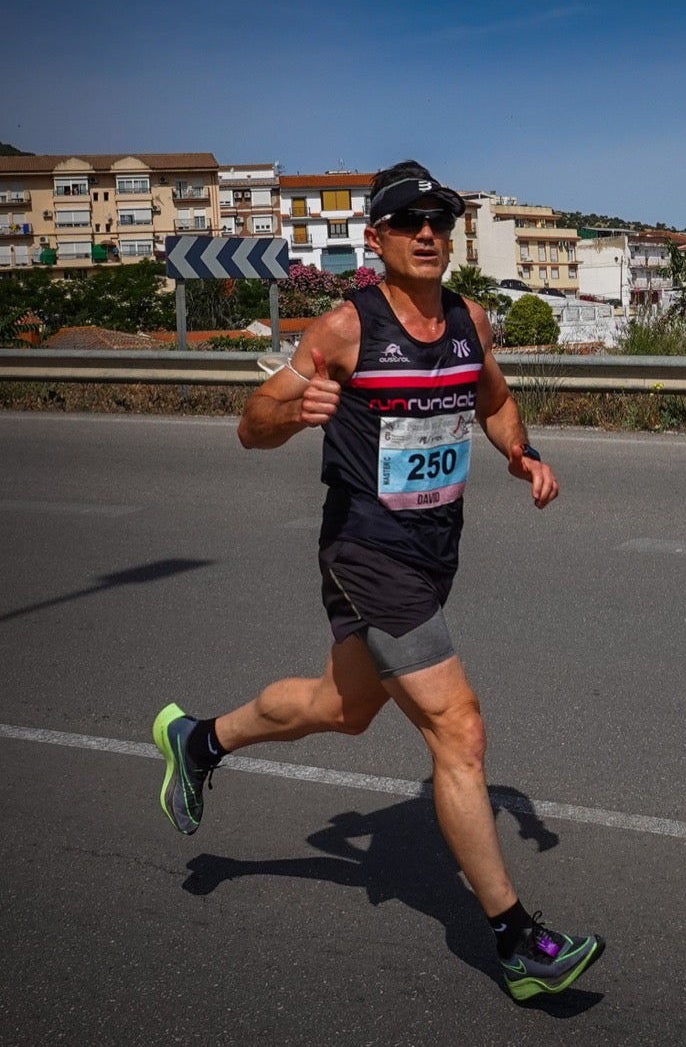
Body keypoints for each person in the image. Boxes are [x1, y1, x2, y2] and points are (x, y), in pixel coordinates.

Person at [150, 160, 602, 1002]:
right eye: (408, 221)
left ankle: (199, 741)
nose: (427, 232)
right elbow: (252, 429)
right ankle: (517, 944)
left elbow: (494, 398)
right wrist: (292, 412)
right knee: (459, 734)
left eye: (439, 218)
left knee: (344, 709)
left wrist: (521, 451)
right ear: (378, 239)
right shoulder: (342, 331)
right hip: (366, 551)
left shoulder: (469, 321)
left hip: (434, 552)